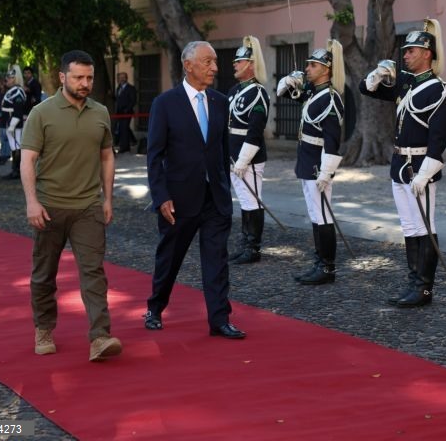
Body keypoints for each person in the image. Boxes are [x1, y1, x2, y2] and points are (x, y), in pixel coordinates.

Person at [20, 50, 122, 362]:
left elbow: (107, 156)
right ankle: (43, 328)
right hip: (50, 207)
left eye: (89, 77)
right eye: (78, 77)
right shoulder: (42, 112)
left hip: (88, 206)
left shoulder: (100, 112)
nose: (85, 83)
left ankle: (100, 337)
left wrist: (107, 198)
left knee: (94, 273)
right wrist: (32, 203)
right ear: (62, 77)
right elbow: (28, 160)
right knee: (44, 274)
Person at [144, 41, 245, 340]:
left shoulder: (219, 101)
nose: (215, 67)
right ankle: (155, 307)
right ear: (188, 65)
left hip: (215, 198)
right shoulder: (165, 103)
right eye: (207, 62)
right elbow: (155, 155)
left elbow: (221, 149)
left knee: (217, 259)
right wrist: (161, 196)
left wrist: (225, 187)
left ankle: (219, 319)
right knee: (170, 258)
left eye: (214, 61)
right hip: (178, 199)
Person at [359, 19, 446, 308]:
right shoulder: (406, 82)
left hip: (420, 165)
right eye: (406, 51)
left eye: (411, 51)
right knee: (410, 227)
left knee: (425, 226)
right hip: (400, 163)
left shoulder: (438, 89)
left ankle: (424, 289)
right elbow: (367, 89)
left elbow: (440, 137)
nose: (406, 55)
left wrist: (426, 173)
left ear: (427, 53)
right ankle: (414, 281)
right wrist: (376, 76)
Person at [277, 39, 345, 285]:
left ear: (326, 69)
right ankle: (319, 262)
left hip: (318, 164)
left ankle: (327, 268)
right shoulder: (314, 93)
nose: (308, 69)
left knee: (323, 216)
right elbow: (283, 93)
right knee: (315, 216)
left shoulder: (330, 98)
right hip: (307, 160)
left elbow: (332, 140)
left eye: (313, 66)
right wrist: (289, 80)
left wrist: (326, 172)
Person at [228, 36, 270, 264]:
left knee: (252, 200)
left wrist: (243, 160)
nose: (234, 64)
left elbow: (255, 131)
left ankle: (253, 248)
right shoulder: (235, 90)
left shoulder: (259, 93)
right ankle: (246, 243)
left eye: (239, 61)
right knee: (244, 201)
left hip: (249, 157)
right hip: (234, 155)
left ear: (251, 64)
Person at [2, 66, 27, 179]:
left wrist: (12, 125)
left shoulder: (17, 91)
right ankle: (15, 170)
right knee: (14, 146)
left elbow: (18, 111)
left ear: (14, 78)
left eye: (9, 78)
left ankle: (17, 171)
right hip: (10, 122)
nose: (7, 80)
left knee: (17, 145)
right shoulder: (13, 91)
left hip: (15, 124)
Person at [114, 72, 137, 154]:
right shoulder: (118, 88)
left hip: (127, 112)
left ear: (126, 78)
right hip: (119, 112)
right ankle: (133, 140)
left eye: (123, 77)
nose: (121, 79)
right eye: (120, 78)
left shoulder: (131, 88)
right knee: (123, 128)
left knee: (124, 128)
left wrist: (127, 109)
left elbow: (133, 100)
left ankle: (124, 147)